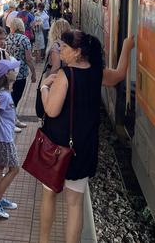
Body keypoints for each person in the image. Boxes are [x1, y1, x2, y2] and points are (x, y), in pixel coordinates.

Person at [38, 31, 134, 243]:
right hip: (84, 146)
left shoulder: (66, 75)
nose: (60, 50)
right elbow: (118, 75)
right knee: (75, 204)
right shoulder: (97, 72)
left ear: (77, 52)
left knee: (49, 195)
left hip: (57, 146)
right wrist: (127, 47)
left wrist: (45, 87)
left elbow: (51, 110)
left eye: (64, 47)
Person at [0, 59, 21, 219]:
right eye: (13, 69)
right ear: (7, 74)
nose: (16, 70)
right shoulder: (4, 95)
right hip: (4, 138)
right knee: (15, 169)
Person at [4, 17, 36, 127]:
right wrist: (33, 73)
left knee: (10, 96)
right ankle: (11, 121)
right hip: (21, 73)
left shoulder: (7, 38)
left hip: (8, 72)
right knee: (16, 98)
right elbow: (28, 58)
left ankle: (12, 119)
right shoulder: (24, 39)